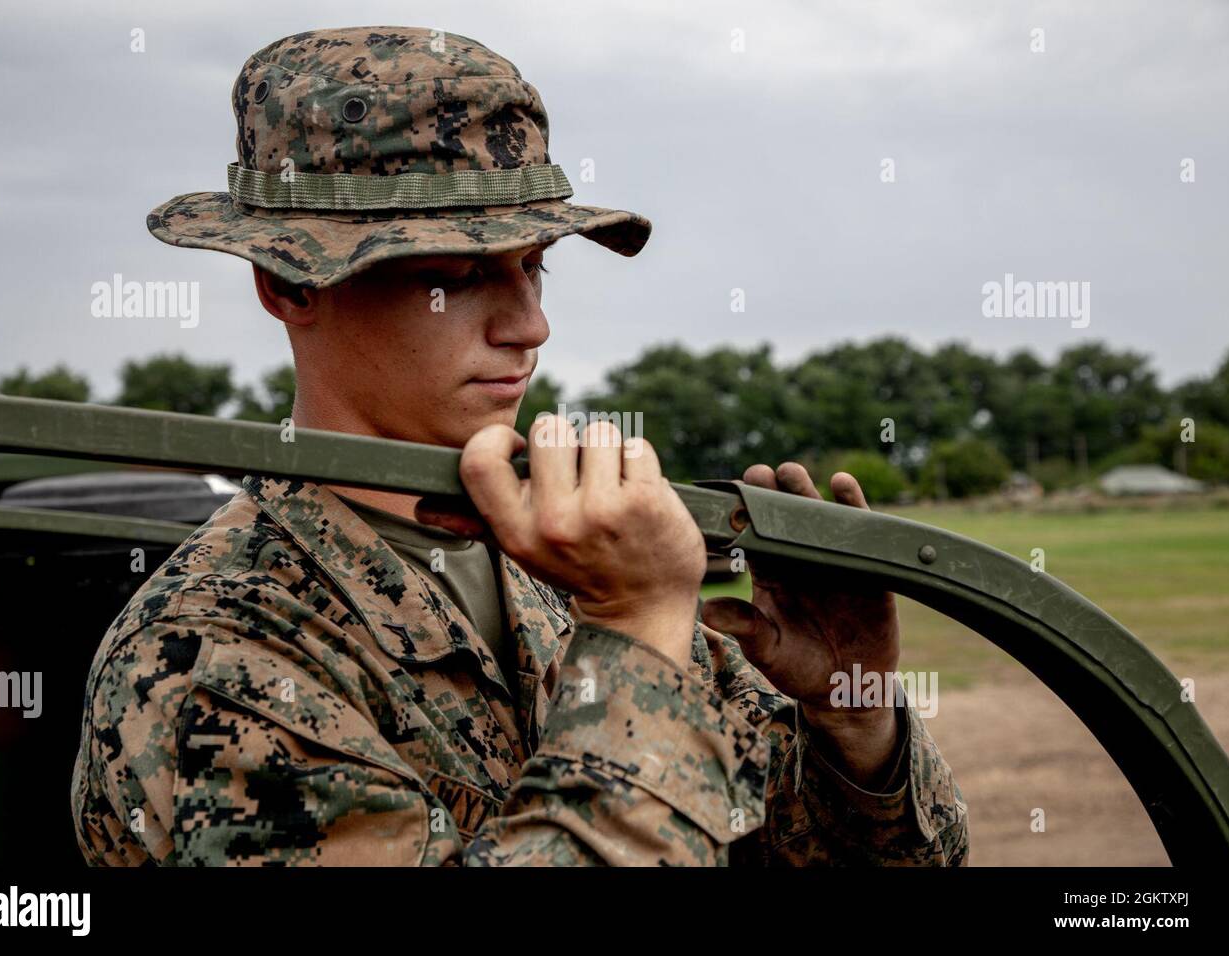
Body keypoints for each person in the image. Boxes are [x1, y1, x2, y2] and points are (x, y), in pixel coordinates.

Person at [72, 25, 967, 866]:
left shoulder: (564, 557)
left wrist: (850, 715)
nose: (531, 324)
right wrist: (636, 630)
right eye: (456, 277)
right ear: (290, 282)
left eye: (534, 265)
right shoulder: (209, 654)